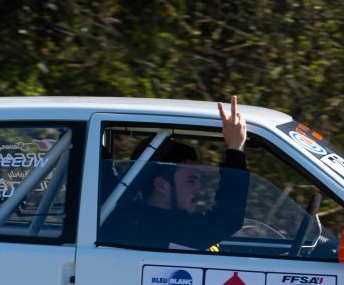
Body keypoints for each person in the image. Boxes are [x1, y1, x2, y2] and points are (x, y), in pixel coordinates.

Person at [102, 95, 249, 251]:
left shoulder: (134, 217)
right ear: (161, 185)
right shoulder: (157, 228)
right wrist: (235, 150)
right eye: (191, 180)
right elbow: (226, 221)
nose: (201, 190)